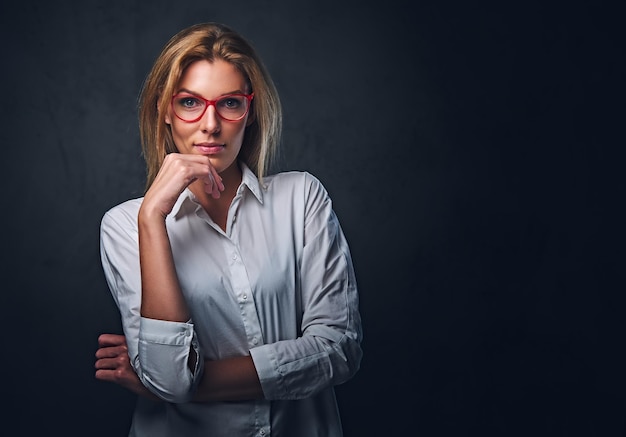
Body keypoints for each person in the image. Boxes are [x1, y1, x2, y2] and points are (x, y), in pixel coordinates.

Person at [94, 22, 363, 436]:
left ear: (249, 111)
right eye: (189, 102)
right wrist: (152, 221)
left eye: (230, 103)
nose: (210, 125)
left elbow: (338, 350)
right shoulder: (125, 225)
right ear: (165, 110)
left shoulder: (302, 198)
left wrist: (180, 386)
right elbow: (170, 375)